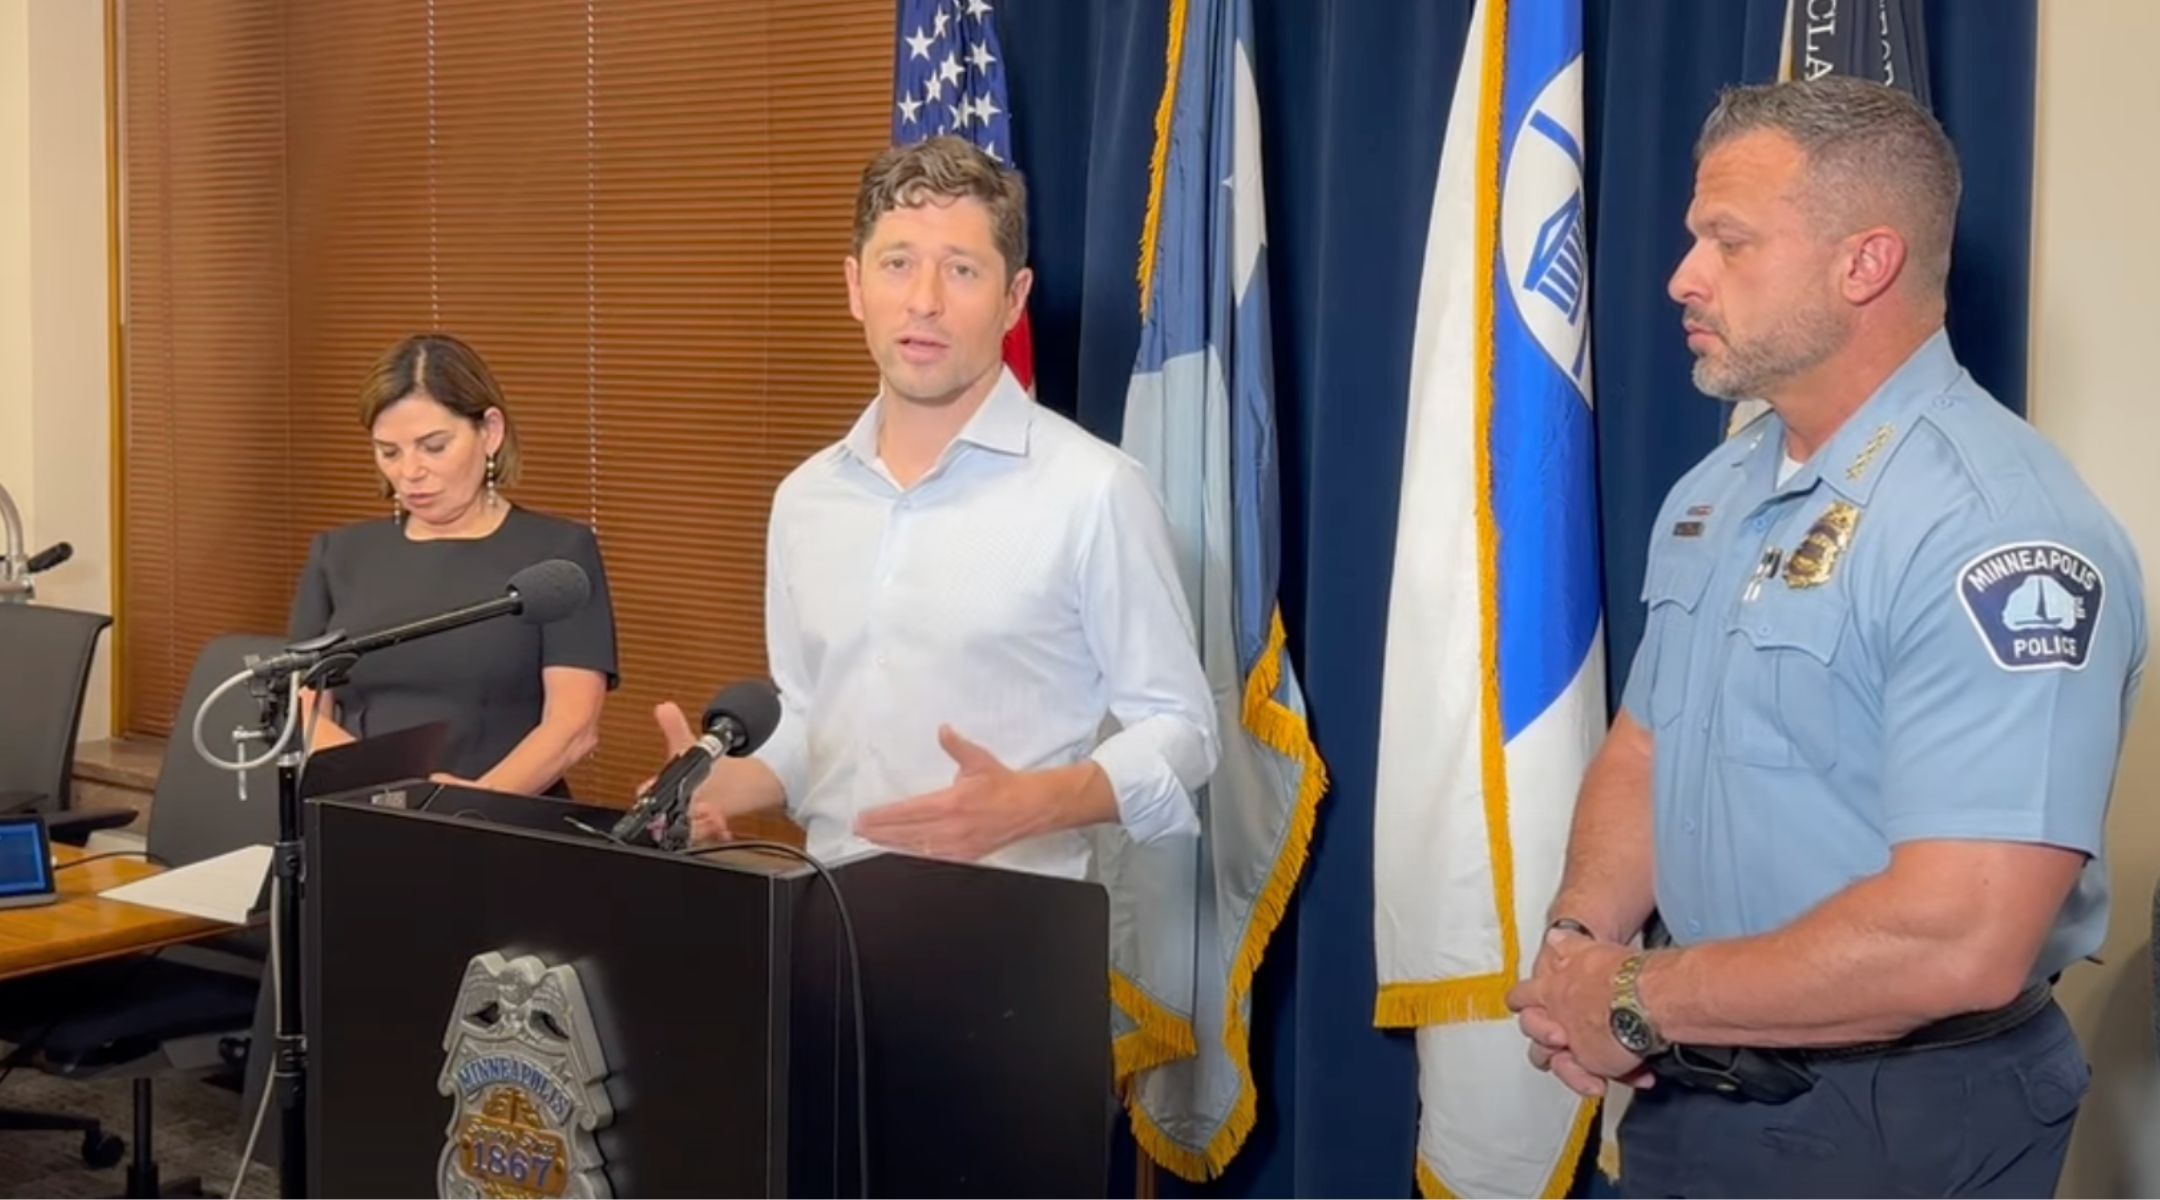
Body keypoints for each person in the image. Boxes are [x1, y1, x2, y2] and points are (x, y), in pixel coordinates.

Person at [1505, 77, 2147, 1197]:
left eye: (1729, 241)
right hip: (1688, 1087)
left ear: (1866, 264)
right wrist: (1576, 942)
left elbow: (1961, 937)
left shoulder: (1999, 531)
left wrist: (1632, 996)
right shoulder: (1715, 492)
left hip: (1897, 1117)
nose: (1682, 276)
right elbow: (1647, 747)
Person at [651, 136, 1217, 879]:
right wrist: (725, 783)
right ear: (855, 287)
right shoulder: (806, 500)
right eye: (897, 264)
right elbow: (817, 723)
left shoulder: (1095, 490)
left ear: (1014, 299)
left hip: (1009, 925)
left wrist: (1040, 802)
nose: (925, 301)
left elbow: (1184, 729)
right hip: (825, 913)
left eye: (961, 269)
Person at [289, 333, 619, 796]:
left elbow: (572, 728)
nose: (410, 472)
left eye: (434, 446)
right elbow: (303, 713)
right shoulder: (339, 556)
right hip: (364, 811)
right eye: (389, 452)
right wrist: (388, 793)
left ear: (490, 432)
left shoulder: (558, 555)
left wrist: (463, 808)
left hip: (501, 818)